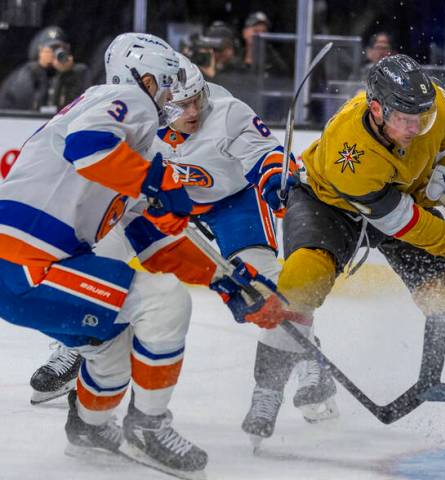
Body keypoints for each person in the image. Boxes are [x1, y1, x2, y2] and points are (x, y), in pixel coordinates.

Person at [28, 53, 335, 446]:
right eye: (182, 103)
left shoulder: (228, 112)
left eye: (198, 100)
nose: (192, 111)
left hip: (230, 202)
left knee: (269, 285)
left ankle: (309, 356)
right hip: (157, 205)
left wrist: (277, 179)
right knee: (98, 259)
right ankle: (75, 347)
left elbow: (267, 155)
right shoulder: (138, 120)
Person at [272, 54, 445, 461]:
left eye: (421, 117)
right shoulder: (353, 152)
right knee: (301, 281)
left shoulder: (431, 104)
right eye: (404, 119)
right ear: (377, 109)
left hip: (396, 200)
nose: (415, 128)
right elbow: (407, 225)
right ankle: (308, 357)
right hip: (332, 205)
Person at [0, 33, 247, 480]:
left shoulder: (133, 146)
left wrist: (224, 279)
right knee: (163, 301)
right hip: (24, 263)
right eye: (166, 85)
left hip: (34, 270)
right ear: (142, 78)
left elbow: (151, 236)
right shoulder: (123, 99)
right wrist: (156, 181)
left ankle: (89, 429)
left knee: (111, 348)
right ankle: (148, 427)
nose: (172, 98)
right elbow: (86, 146)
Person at [0, 26, 89, 112]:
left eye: (60, 49)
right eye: (51, 49)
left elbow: (77, 106)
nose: (55, 54)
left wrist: (66, 74)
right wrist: (40, 69)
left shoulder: (79, 72)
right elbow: (26, 106)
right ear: (40, 51)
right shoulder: (27, 74)